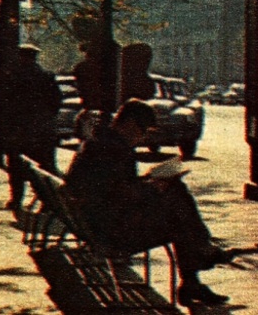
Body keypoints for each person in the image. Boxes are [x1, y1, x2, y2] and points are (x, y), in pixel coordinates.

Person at [63, 99, 235, 306]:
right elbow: (119, 194)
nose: (143, 137)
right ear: (129, 124)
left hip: (95, 223)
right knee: (177, 210)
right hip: (112, 232)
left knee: (176, 202)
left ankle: (199, 263)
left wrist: (148, 183)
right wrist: (152, 187)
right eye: (142, 130)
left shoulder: (98, 142)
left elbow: (109, 189)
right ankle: (200, 258)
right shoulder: (115, 149)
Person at [0, 44, 62, 209]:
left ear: (20, 57)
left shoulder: (11, 77)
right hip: (42, 128)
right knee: (45, 166)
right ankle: (47, 202)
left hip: (18, 129)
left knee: (16, 167)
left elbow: (4, 103)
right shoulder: (46, 76)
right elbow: (57, 100)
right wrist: (47, 117)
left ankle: (16, 200)